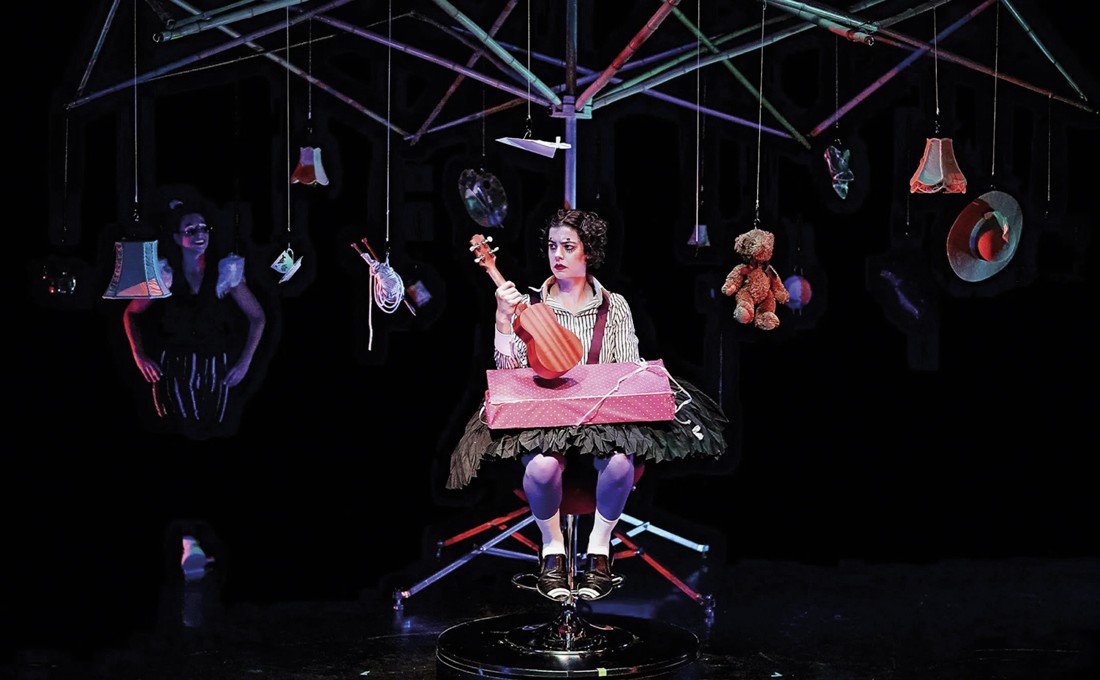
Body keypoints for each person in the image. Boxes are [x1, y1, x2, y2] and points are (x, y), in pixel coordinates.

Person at [447, 207, 727, 602]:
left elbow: (626, 371)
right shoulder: (528, 305)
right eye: (551, 246)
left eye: (568, 246)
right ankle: (552, 549)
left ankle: (599, 548)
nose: (557, 255)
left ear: (588, 252)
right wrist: (503, 320)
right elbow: (510, 376)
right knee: (542, 467)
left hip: (601, 419)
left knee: (619, 463)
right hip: (546, 418)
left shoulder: (614, 306)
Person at [122, 192, 267, 443]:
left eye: (203, 228)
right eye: (191, 230)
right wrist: (139, 354)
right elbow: (131, 313)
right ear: (177, 238)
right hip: (174, 368)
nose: (200, 234)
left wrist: (245, 362)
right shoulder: (165, 274)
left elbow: (258, 317)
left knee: (212, 428)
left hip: (214, 368)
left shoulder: (224, 273)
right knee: (177, 429)